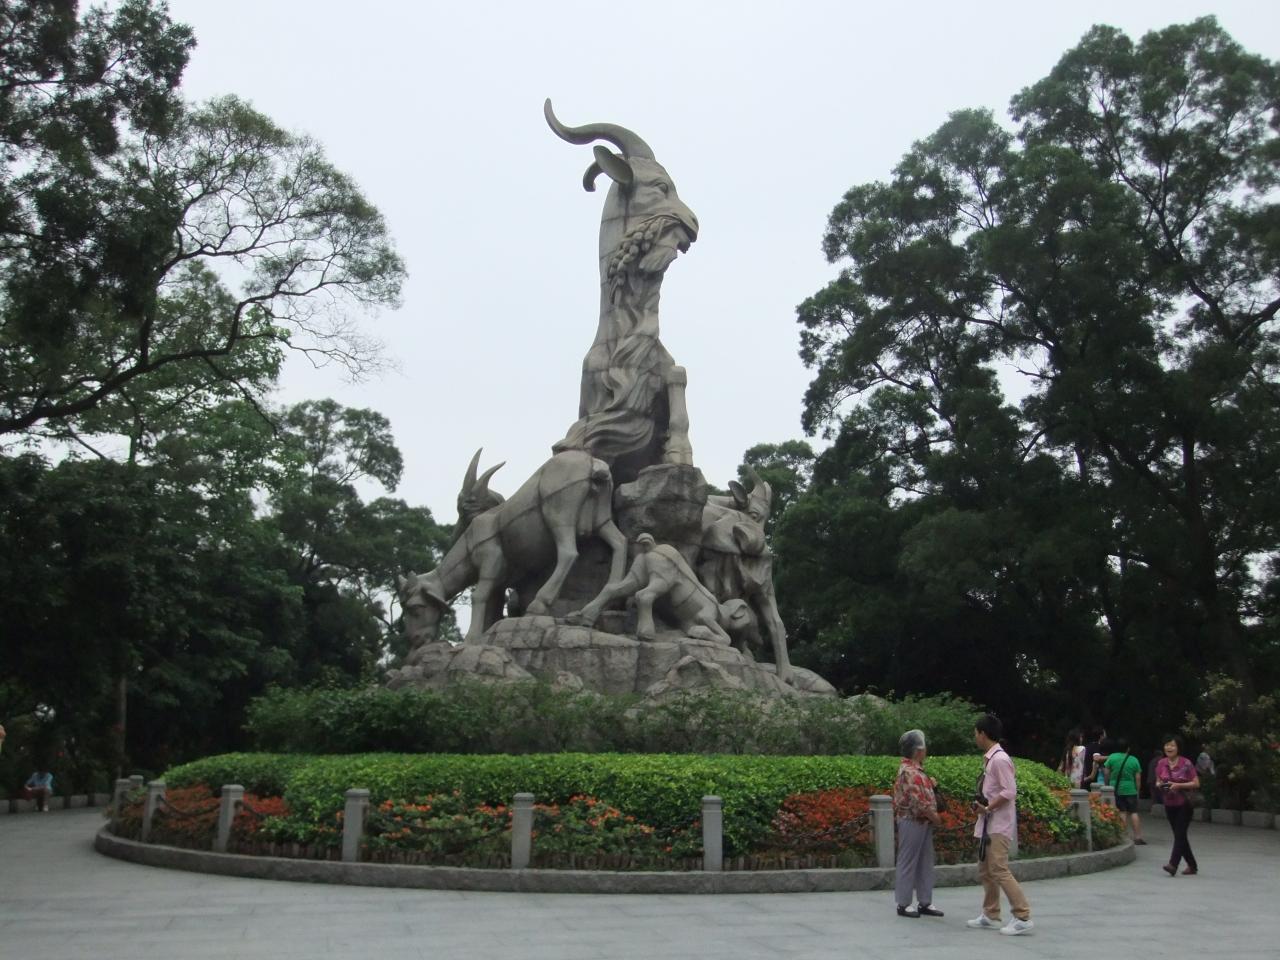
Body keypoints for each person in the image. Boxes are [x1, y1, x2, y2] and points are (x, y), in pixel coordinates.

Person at [966, 714, 1033, 936]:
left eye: (976, 733)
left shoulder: (1000, 759)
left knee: (999, 869)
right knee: (986, 870)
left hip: (998, 825)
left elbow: (1009, 791)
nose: (975, 737)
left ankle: (1022, 915)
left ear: (983, 734)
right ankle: (991, 913)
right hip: (988, 824)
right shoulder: (991, 758)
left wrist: (988, 807)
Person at [892, 729, 944, 919]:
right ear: (918, 750)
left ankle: (925, 901)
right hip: (912, 820)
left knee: (924, 861)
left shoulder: (913, 769)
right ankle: (904, 903)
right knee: (908, 860)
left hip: (920, 821)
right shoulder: (910, 771)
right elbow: (918, 801)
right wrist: (935, 817)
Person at [1156, 735, 1200, 876]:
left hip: (1184, 803)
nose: (1169, 748)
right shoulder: (1161, 763)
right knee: (1179, 835)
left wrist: (1178, 785)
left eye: (1172, 745)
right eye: (1167, 745)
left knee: (1180, 834)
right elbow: (1158, 780)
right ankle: (1192, 865)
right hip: (1169, 802)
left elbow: (1196, 783)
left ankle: (1173, 864)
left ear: (1178, 748)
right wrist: (1160, 785)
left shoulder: (1186, 763)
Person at [1100, 737, 1145, 844]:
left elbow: (1106, 773)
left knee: (1122, 812)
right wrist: (1137, 791)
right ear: (1128, 748)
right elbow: (1138, 778)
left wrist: (1107, 785)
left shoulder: (1112, 757)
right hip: (1131, 789)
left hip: (1116, 789)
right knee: (1134, 812)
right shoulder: (1134, 760)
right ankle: (1138, 837)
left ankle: (1123, 836)